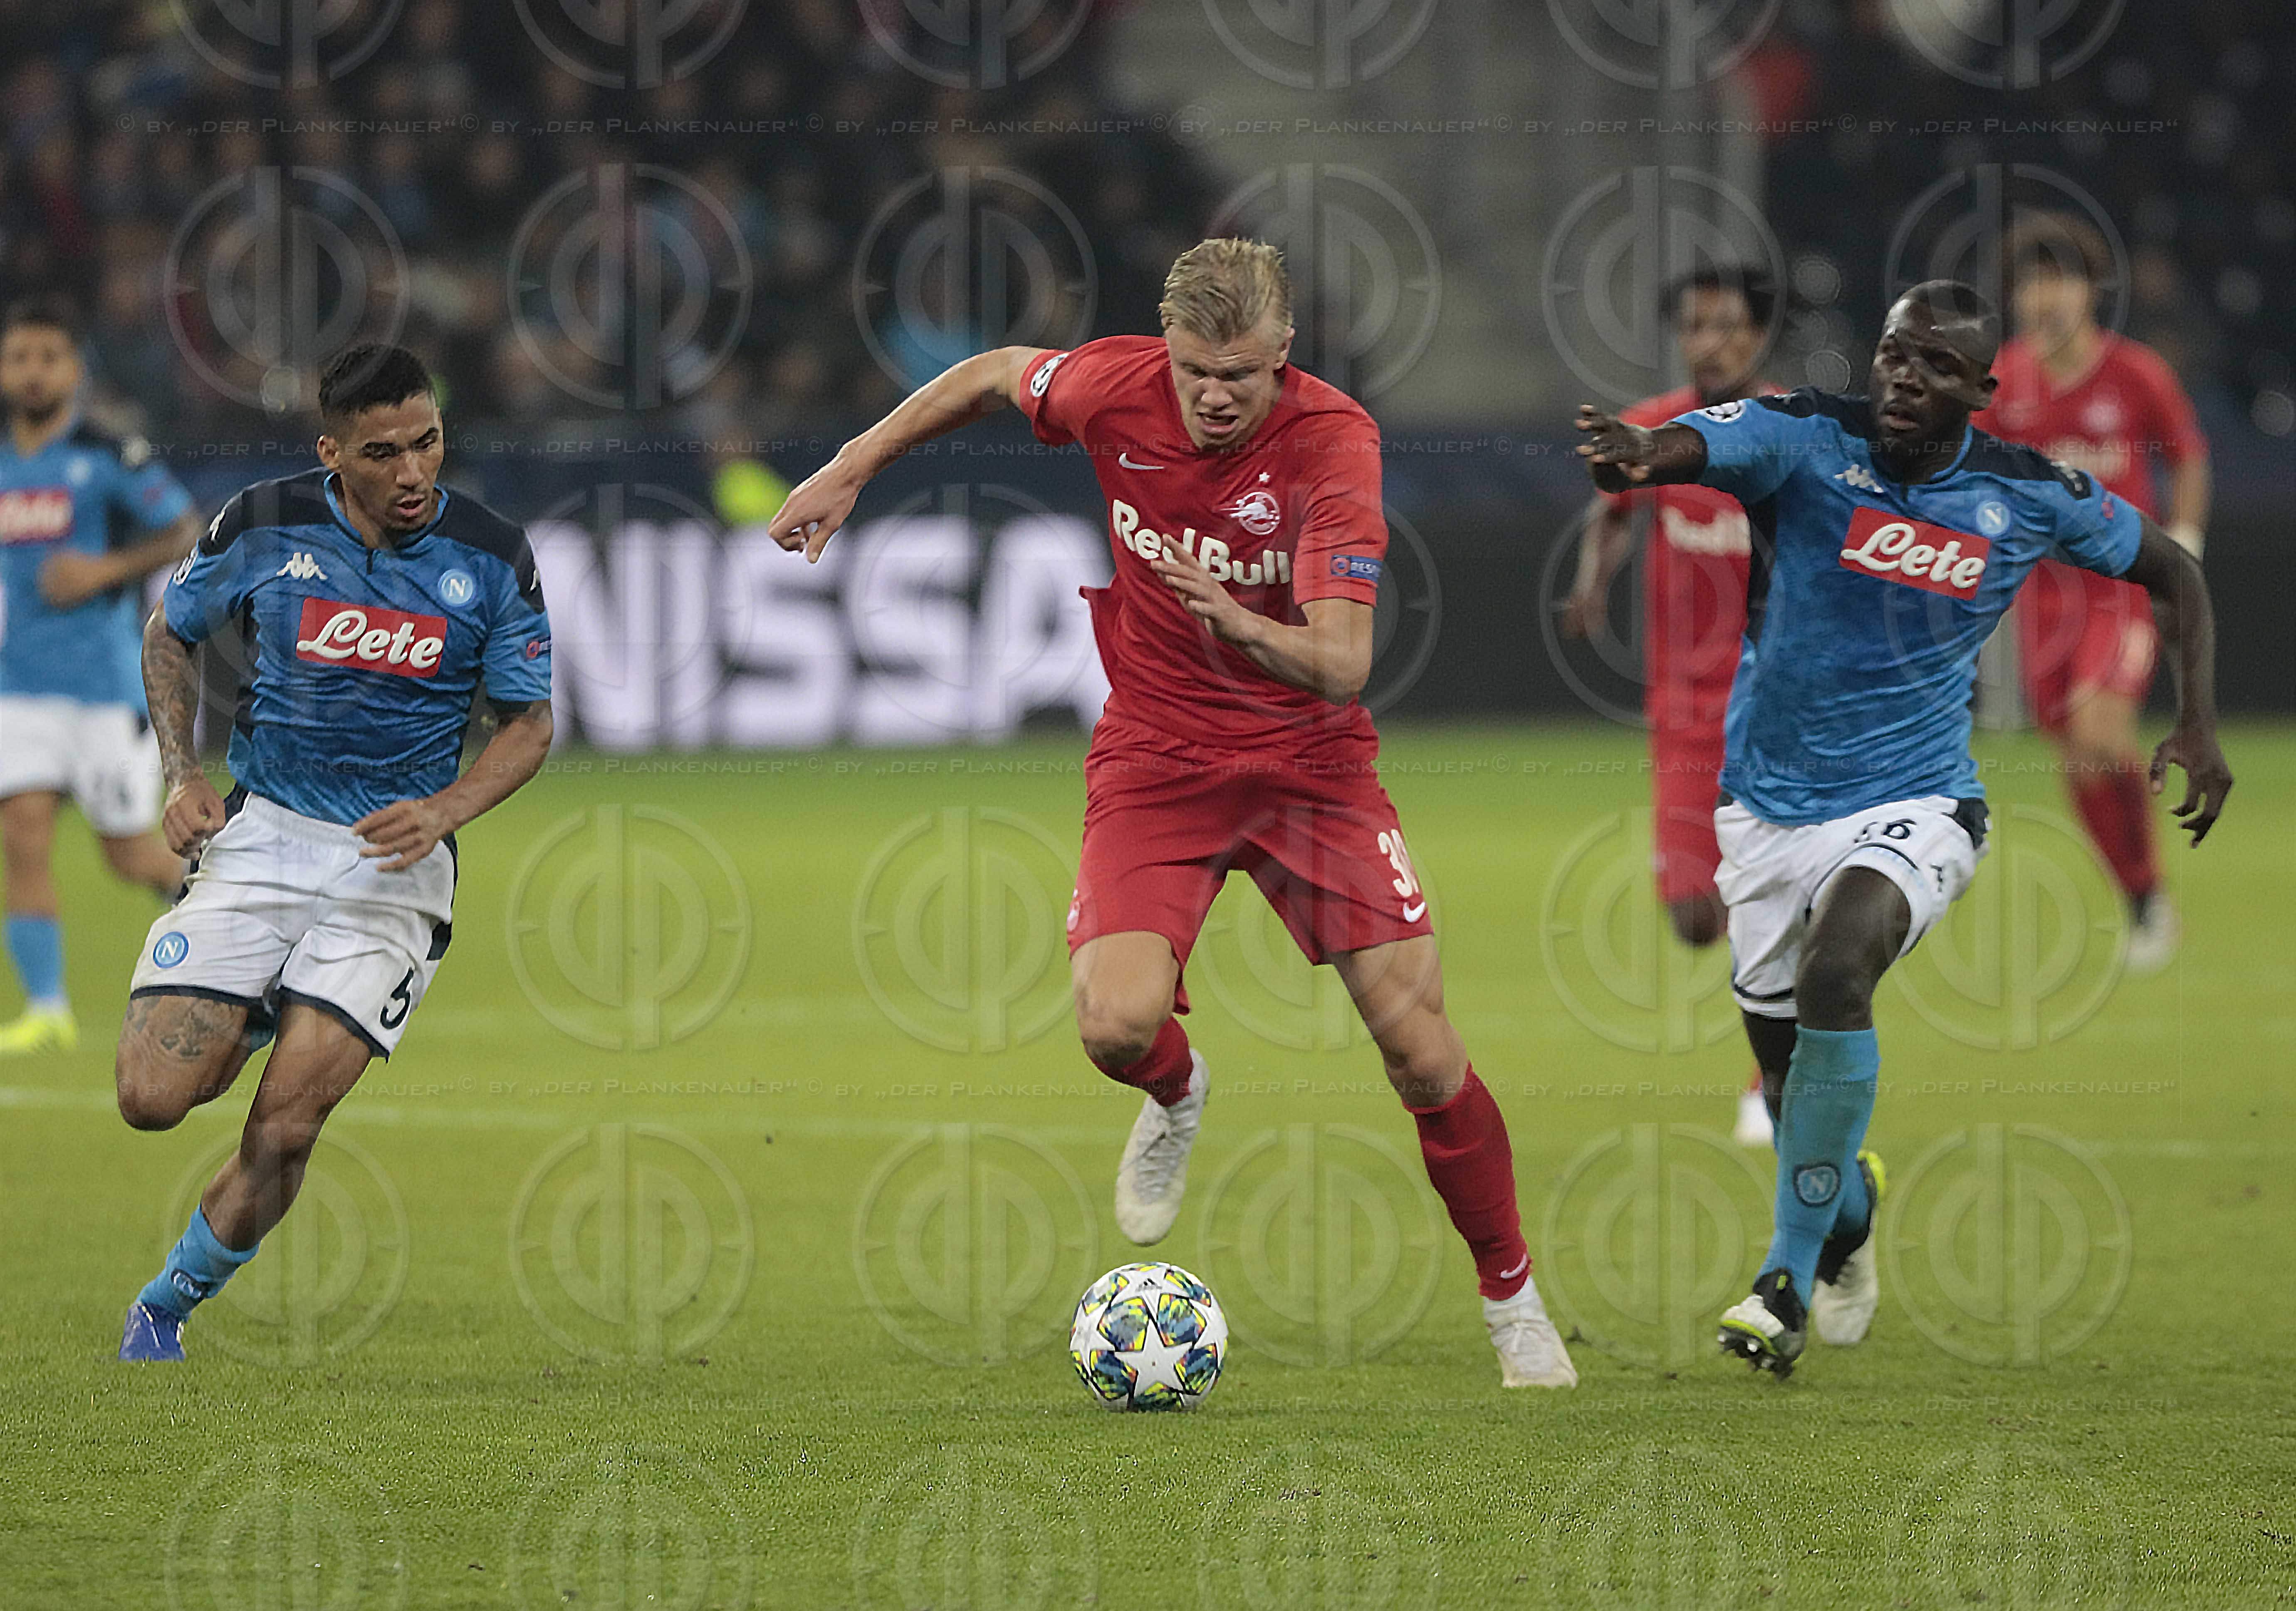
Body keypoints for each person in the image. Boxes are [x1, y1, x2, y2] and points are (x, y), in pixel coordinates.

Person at [771, 238, 1576, 1389]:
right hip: (1160, 757)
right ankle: (1178, 1090)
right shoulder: (1116, 385)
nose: (1211, 396)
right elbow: (998, 370)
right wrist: (854, 464)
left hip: (1312, 767)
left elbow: (1344, 664)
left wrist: (1236, 620)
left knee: (1418, 1049)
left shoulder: (1333, 444)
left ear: (1284, 357)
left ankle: (1513, 1301)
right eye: (1196, 368)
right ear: (1169, 348)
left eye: (1239, 375)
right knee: (1113, 1025)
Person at [1575, 281, 2229, 1377]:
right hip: (1767, 814)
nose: (1903, 379)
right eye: (1892, 356)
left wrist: (2198, 722)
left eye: (1932, 365)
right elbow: (1686, 443)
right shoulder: (1804, 435)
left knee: (1844, 965)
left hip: (1919, 803)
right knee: (1790, 1097)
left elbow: (2175, 571)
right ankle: (1847, 1221)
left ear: (1983, 388)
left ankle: (1780, 1280)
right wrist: (1642, 453)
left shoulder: (2025, 493)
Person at [115, 345, 555, 1361]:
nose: (414, 474)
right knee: (151, 1100)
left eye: (429, 443)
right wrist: (182, 773)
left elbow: (529, 726)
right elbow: (169, 632)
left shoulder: (493, 556)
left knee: (285, 1132)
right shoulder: (264, 524)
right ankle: (269, 998)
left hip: (392, 870)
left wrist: (444, 810)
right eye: (384, 452)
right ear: (333, 453)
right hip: (263, 836)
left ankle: (164, 1307)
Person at [1560, 265, 1783, 1149]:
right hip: (1685, 706)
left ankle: (1768, 1078)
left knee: (1766, 897)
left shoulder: (1789, 430)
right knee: (1695, 917)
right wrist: (1592, 585)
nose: (1712, 341)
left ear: (1758, 336)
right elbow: (1612, 509)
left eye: (1729, 326)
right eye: (1697, 326)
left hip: (1775, 700)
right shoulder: (1656, 427)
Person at [1987, 210, 2211, 972]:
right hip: (2040, 599)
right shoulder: (2004, 382)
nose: (2046, 297)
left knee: (2099, 732)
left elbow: (2187, 454)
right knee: (2079, 760)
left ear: (2091, 291)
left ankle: (2147, 894)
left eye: (2062, 279)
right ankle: (2142, 892)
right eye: (2031, 282)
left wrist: (2184, 542)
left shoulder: (2135, 373)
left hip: (2119, 588)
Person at [0, 295, 201, 1054]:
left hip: (104, 688)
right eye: (19, 357)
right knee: (22, 837)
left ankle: (239, 931)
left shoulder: (109, 453)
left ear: (74, 370)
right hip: (19, 685)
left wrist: (104, 570)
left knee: (129, 854)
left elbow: (185, 529)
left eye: (47, 358)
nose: (32, 372)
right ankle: (47, 1007)